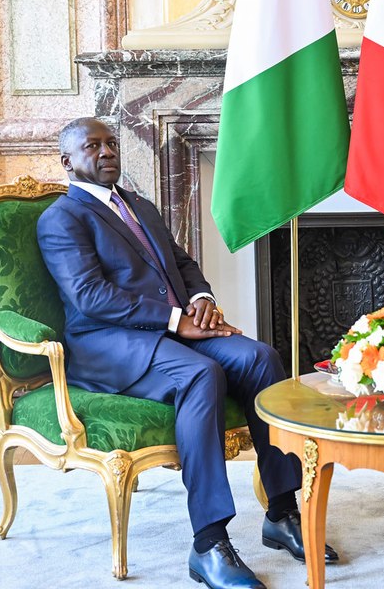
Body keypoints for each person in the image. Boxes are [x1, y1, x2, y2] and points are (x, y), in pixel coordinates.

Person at [37, 117, 338, 589]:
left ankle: (281, 513)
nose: (107, 152)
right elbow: (90, 297)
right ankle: (208, 544)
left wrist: (201, 301)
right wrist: (177, 321)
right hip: (108, 345)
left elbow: (182, 263)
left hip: (171, 328)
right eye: (92, 146)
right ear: (67, 161)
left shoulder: (139, 205)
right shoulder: (61, 217)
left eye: (111, 143)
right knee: (201, 375)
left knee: (262, 358)